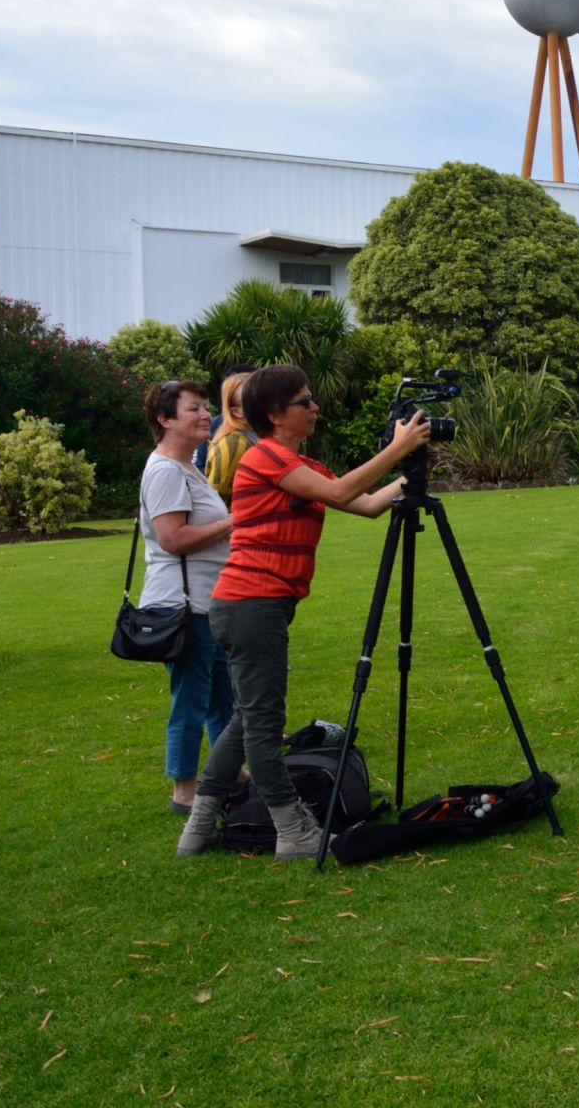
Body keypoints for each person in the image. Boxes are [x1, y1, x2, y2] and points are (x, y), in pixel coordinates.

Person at [174, 364, 432, 861]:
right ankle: (293, 832)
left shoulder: (298, 463)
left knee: (246, 720)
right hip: (251, 605)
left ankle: (199, 827)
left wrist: (410, 474)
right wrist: (396, 447)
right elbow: (339, 494)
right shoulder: (265, 456)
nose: (315, 408)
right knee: (264, 726)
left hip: (250, 606)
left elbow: (367, 503)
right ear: (275, 414)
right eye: (304, 401)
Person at [138, 381, 236, 814]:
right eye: (194, 408)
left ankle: (226, 771)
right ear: (165, 420)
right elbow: (172, 538)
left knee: (221, 697)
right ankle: (184, 789)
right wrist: (231, 523)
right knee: (192, 699)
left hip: (205, 603)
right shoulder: (165, 470)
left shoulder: (188, 466)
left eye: (204, 407)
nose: (205, 415)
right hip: (182, 606)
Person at [203, 370, 258, 505]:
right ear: (236, 411)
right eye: (252, 399)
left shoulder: (254, 436)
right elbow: (215, 500)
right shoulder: (234, 444)